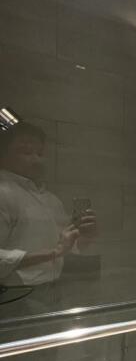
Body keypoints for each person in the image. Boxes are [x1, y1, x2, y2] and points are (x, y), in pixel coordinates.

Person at [0, 122, 96, 312]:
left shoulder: (51, 199)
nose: (36, 159)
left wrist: (86, 238)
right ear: (3, 155)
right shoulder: (3, 193)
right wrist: (54, 252)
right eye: (26, 152)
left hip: (54, 289)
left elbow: (68, 246)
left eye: (40, 153)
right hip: (13, 295)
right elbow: (58, 249)